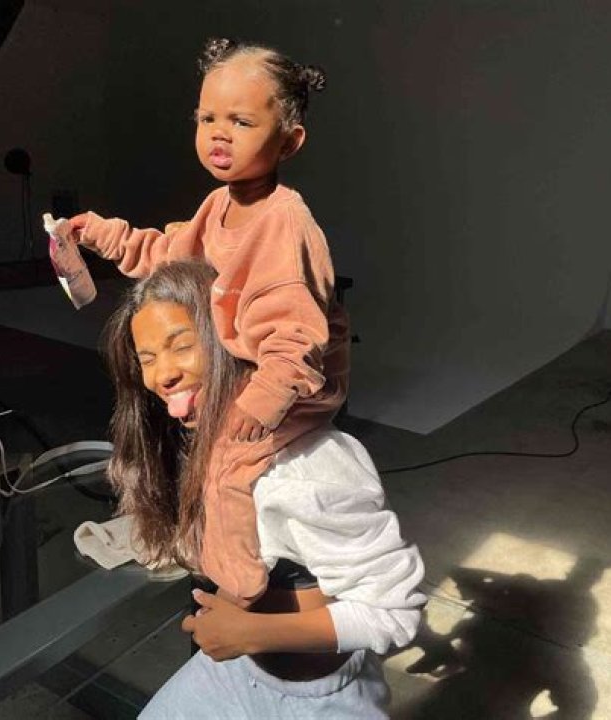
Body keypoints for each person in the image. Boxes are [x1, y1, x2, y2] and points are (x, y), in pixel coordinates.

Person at [67, 37, 349, 602]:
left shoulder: (284, 223)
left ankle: (238, 582)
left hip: (290, 383)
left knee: (229, 462)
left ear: (289, 141)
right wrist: (99, 233)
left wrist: (262, 401)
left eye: (241, 122)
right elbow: (165, 255)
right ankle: (192, 534)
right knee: (178, 436)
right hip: (240, 367)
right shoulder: (217, 207)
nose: (219, 134)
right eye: (207, 118)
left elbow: (296, 335)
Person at [103, 260, 427, 718]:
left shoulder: (308, 465)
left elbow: (395, 612)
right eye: (148, 358)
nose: (162, 375)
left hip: (320, 699)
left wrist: (250, 633)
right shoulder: (212, 441)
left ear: (233, 342)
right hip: (240, 674)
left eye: (182, 346)